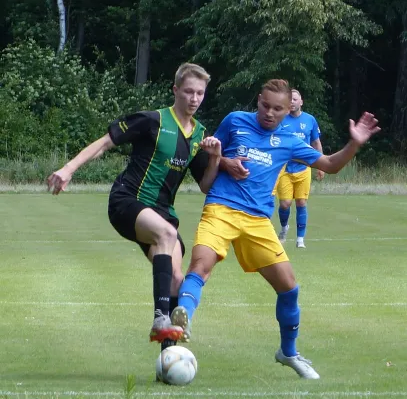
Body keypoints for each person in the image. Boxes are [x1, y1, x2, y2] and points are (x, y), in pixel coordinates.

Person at [170, 79, 380, 379]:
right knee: (201, 266)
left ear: (288, 109)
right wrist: (224, 159)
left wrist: (355, 143)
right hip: (221, 208)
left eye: (277, 109)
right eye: (265, 105)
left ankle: (288, 352)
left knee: (289, 287)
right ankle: (183, 322)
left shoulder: (292, 141)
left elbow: (330, 165)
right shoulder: (234, 121)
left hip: (257, 221)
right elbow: (208, 155)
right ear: (258, 100)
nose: (269, 113)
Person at [47, 63, 222, 352]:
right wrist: (68, 169)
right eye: (188, 91)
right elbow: (104, 144)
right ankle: (160, 318)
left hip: (163, 212)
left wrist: (214, 159)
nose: (194, 98)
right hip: (127, 201)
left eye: (200, 93)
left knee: (177, 280)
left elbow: (205, 185)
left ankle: (169, 356)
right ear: (175, 90)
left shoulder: (199, 135)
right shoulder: (152, 120)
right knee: (167, 235)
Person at [276, 89, 324, 248]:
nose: (292, 102)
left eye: (295, 99)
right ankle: (284, 228)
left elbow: (316, 143)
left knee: (302, 202)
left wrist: (321, 165)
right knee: (285, 204)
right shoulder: (282, 119)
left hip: (304, 168)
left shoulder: (310, 120)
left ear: (301, 102)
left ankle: (300, 240)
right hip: (285, 169)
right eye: (289, 99)